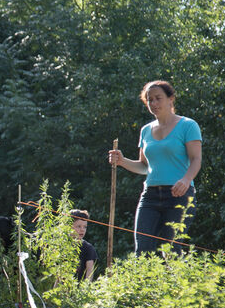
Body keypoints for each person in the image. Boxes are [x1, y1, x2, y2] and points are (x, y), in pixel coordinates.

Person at [108, 80, 202, 255]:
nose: (154, 103)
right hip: (150, 196)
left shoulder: (188, 125)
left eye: (158, 98)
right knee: (142, 249)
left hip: (179, 195)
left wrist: (186, 180)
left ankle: (174, 282)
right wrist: (121, 161)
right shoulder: (145, 130)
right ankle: (145, 283)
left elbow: (196, 159)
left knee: (171, 249)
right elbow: (144, 166)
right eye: (150, 100)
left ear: (170, 99)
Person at [70, 209, 97, 281]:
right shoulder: (63, 246)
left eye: (85, 227)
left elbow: (89, 274)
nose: (82, 230)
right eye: (78, 226)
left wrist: (84, 291)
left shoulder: (88, 248)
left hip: (80, 289)